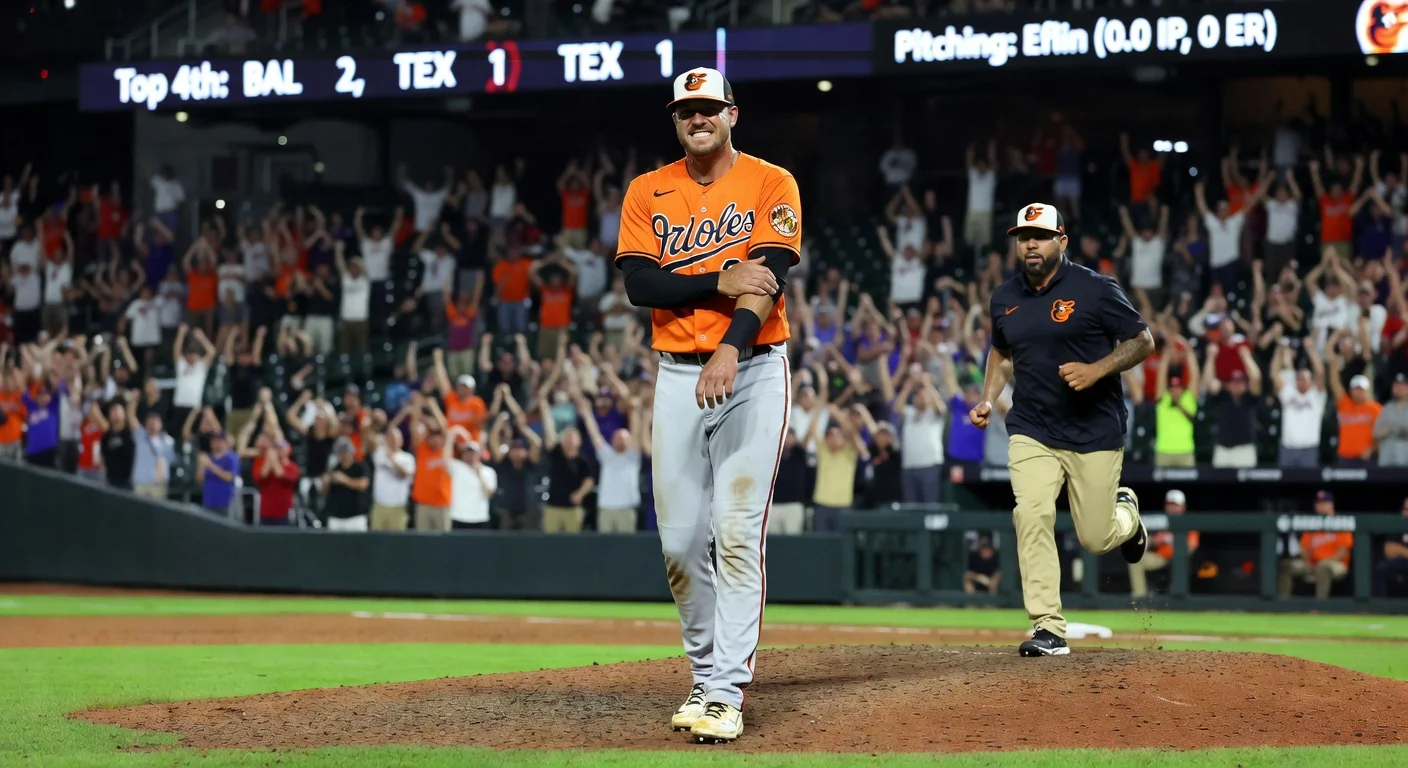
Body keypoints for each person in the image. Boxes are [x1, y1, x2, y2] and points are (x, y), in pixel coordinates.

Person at [614, 68, 799, 743]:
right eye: (686, 110)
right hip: (673, 375)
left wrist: (729, 344)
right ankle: (702, 673)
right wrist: (713, 279)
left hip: (752, 369)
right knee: (680, 542)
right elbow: (640, 285)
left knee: (736, 531)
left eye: (709, 109)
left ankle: (726, 691)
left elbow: (768, 275)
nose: (698, 118)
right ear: (676, 120)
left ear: (732, 114)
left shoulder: (771, 182)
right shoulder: (646, 190)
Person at [970, 203, 1154, 658]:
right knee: (1030, 514)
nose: (1030, 243)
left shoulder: (1095, 289)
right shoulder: (1004, 297)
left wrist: (1098, 369)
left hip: (1094, 429)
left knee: (1095, 536)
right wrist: (989, 397)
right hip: (1032, 428)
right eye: (1023, 235)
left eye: (1040, 235)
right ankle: (1048, 627)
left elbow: (1143, 340)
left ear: (1061, 241)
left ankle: (1127, 519)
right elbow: (1002, 352)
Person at [1128, 490, 1200, 599]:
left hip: (1180, 559)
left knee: (1181, 561)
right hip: (1161, 557)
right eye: (1170, 504)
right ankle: (1140, 598)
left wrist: (1170, 540)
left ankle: (1177, 599)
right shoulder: (1160, 521)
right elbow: (1142, 544)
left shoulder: (1189, 523)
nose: (1172, 508)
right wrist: (1153, 540)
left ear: (1183, 506)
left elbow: (1190, 550)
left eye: (1175, 505)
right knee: (1136, 560)